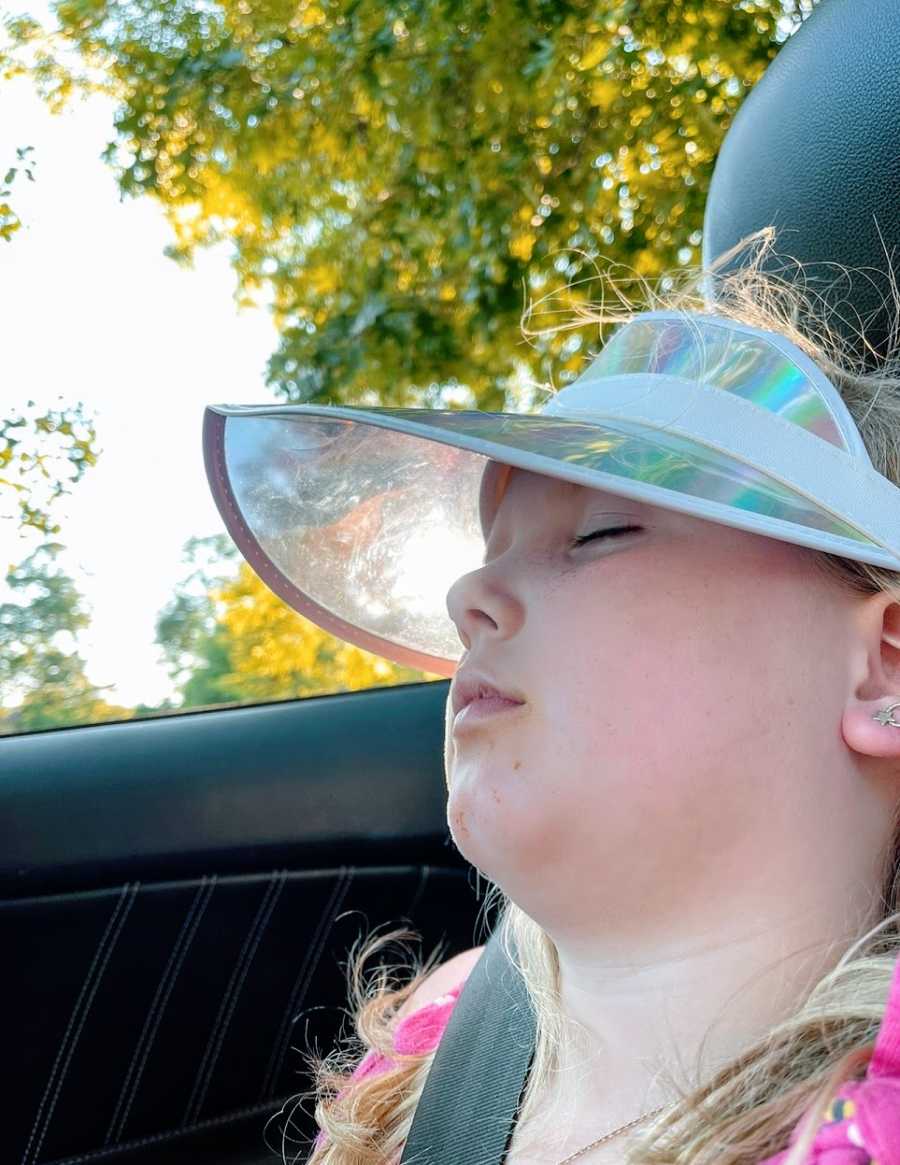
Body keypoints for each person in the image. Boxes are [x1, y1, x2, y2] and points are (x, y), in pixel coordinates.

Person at [203, 232, 900, 1164]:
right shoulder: (432, 1048)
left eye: (601, 533)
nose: (465, 598)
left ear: (882, 668)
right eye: (488, 553)